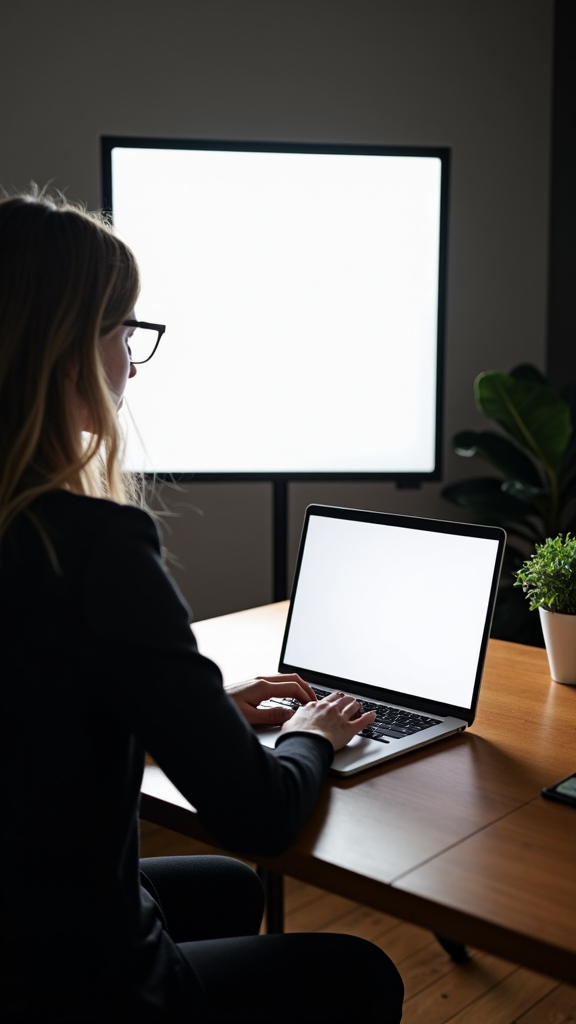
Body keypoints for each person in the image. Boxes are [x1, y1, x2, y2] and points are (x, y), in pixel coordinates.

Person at [0, 190, 404, 1024]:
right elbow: (259, 816)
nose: (133, 364)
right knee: (361, 974)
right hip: (73, 985)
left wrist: (203, 711)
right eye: (125, 334)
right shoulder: (92, 545)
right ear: (70, 354)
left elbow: (35, 710)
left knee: (220, 889)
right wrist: (309, 736)